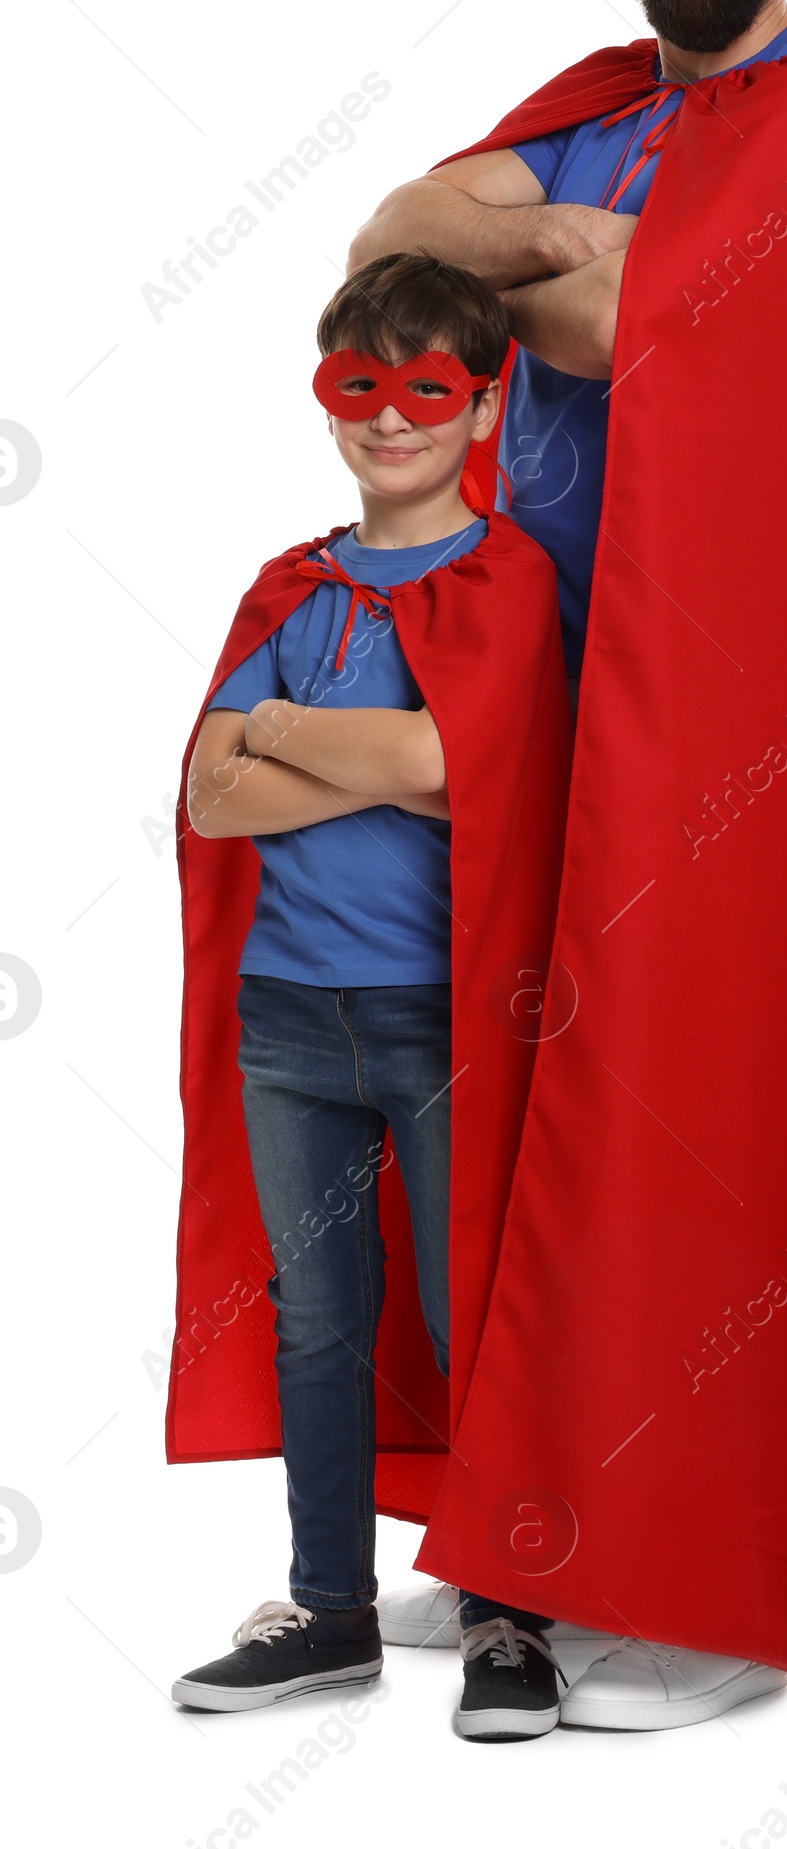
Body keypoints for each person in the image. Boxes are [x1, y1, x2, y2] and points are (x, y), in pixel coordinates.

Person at [348, 0, 787, 1729]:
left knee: (706, 1144)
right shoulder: (592, 113)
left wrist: (573, 278)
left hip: (743, 720)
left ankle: (693, 1607)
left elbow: (625, 333)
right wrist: (569, 258)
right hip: (530, 691)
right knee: (506, 1131)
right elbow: (398, 243)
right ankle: (524, 1533)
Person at [167, 256, 573, 1741]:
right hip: (289, 1019)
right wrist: (363, 740)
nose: (391, 420)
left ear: (479, 411)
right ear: (329, 399)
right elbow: (211, 799)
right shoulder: (293, 584)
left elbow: (458, 770)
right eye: (363, 387)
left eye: (428, 391)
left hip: (441, 1019)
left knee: (485, 1320)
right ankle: (331, 1606)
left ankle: (511, 1615)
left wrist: (286, 728)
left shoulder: (506, 578)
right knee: (318, 1324)